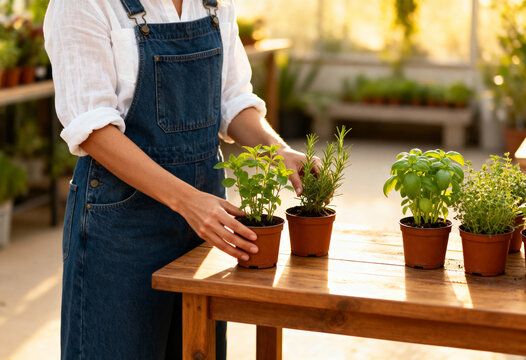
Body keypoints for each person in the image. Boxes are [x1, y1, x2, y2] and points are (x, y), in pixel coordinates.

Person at [44, 0, 312, 359]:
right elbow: (93, 128)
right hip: (121, 225)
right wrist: (188, 201)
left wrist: (274, 149)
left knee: (196, 348)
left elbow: (231, 98)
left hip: (205, 221)